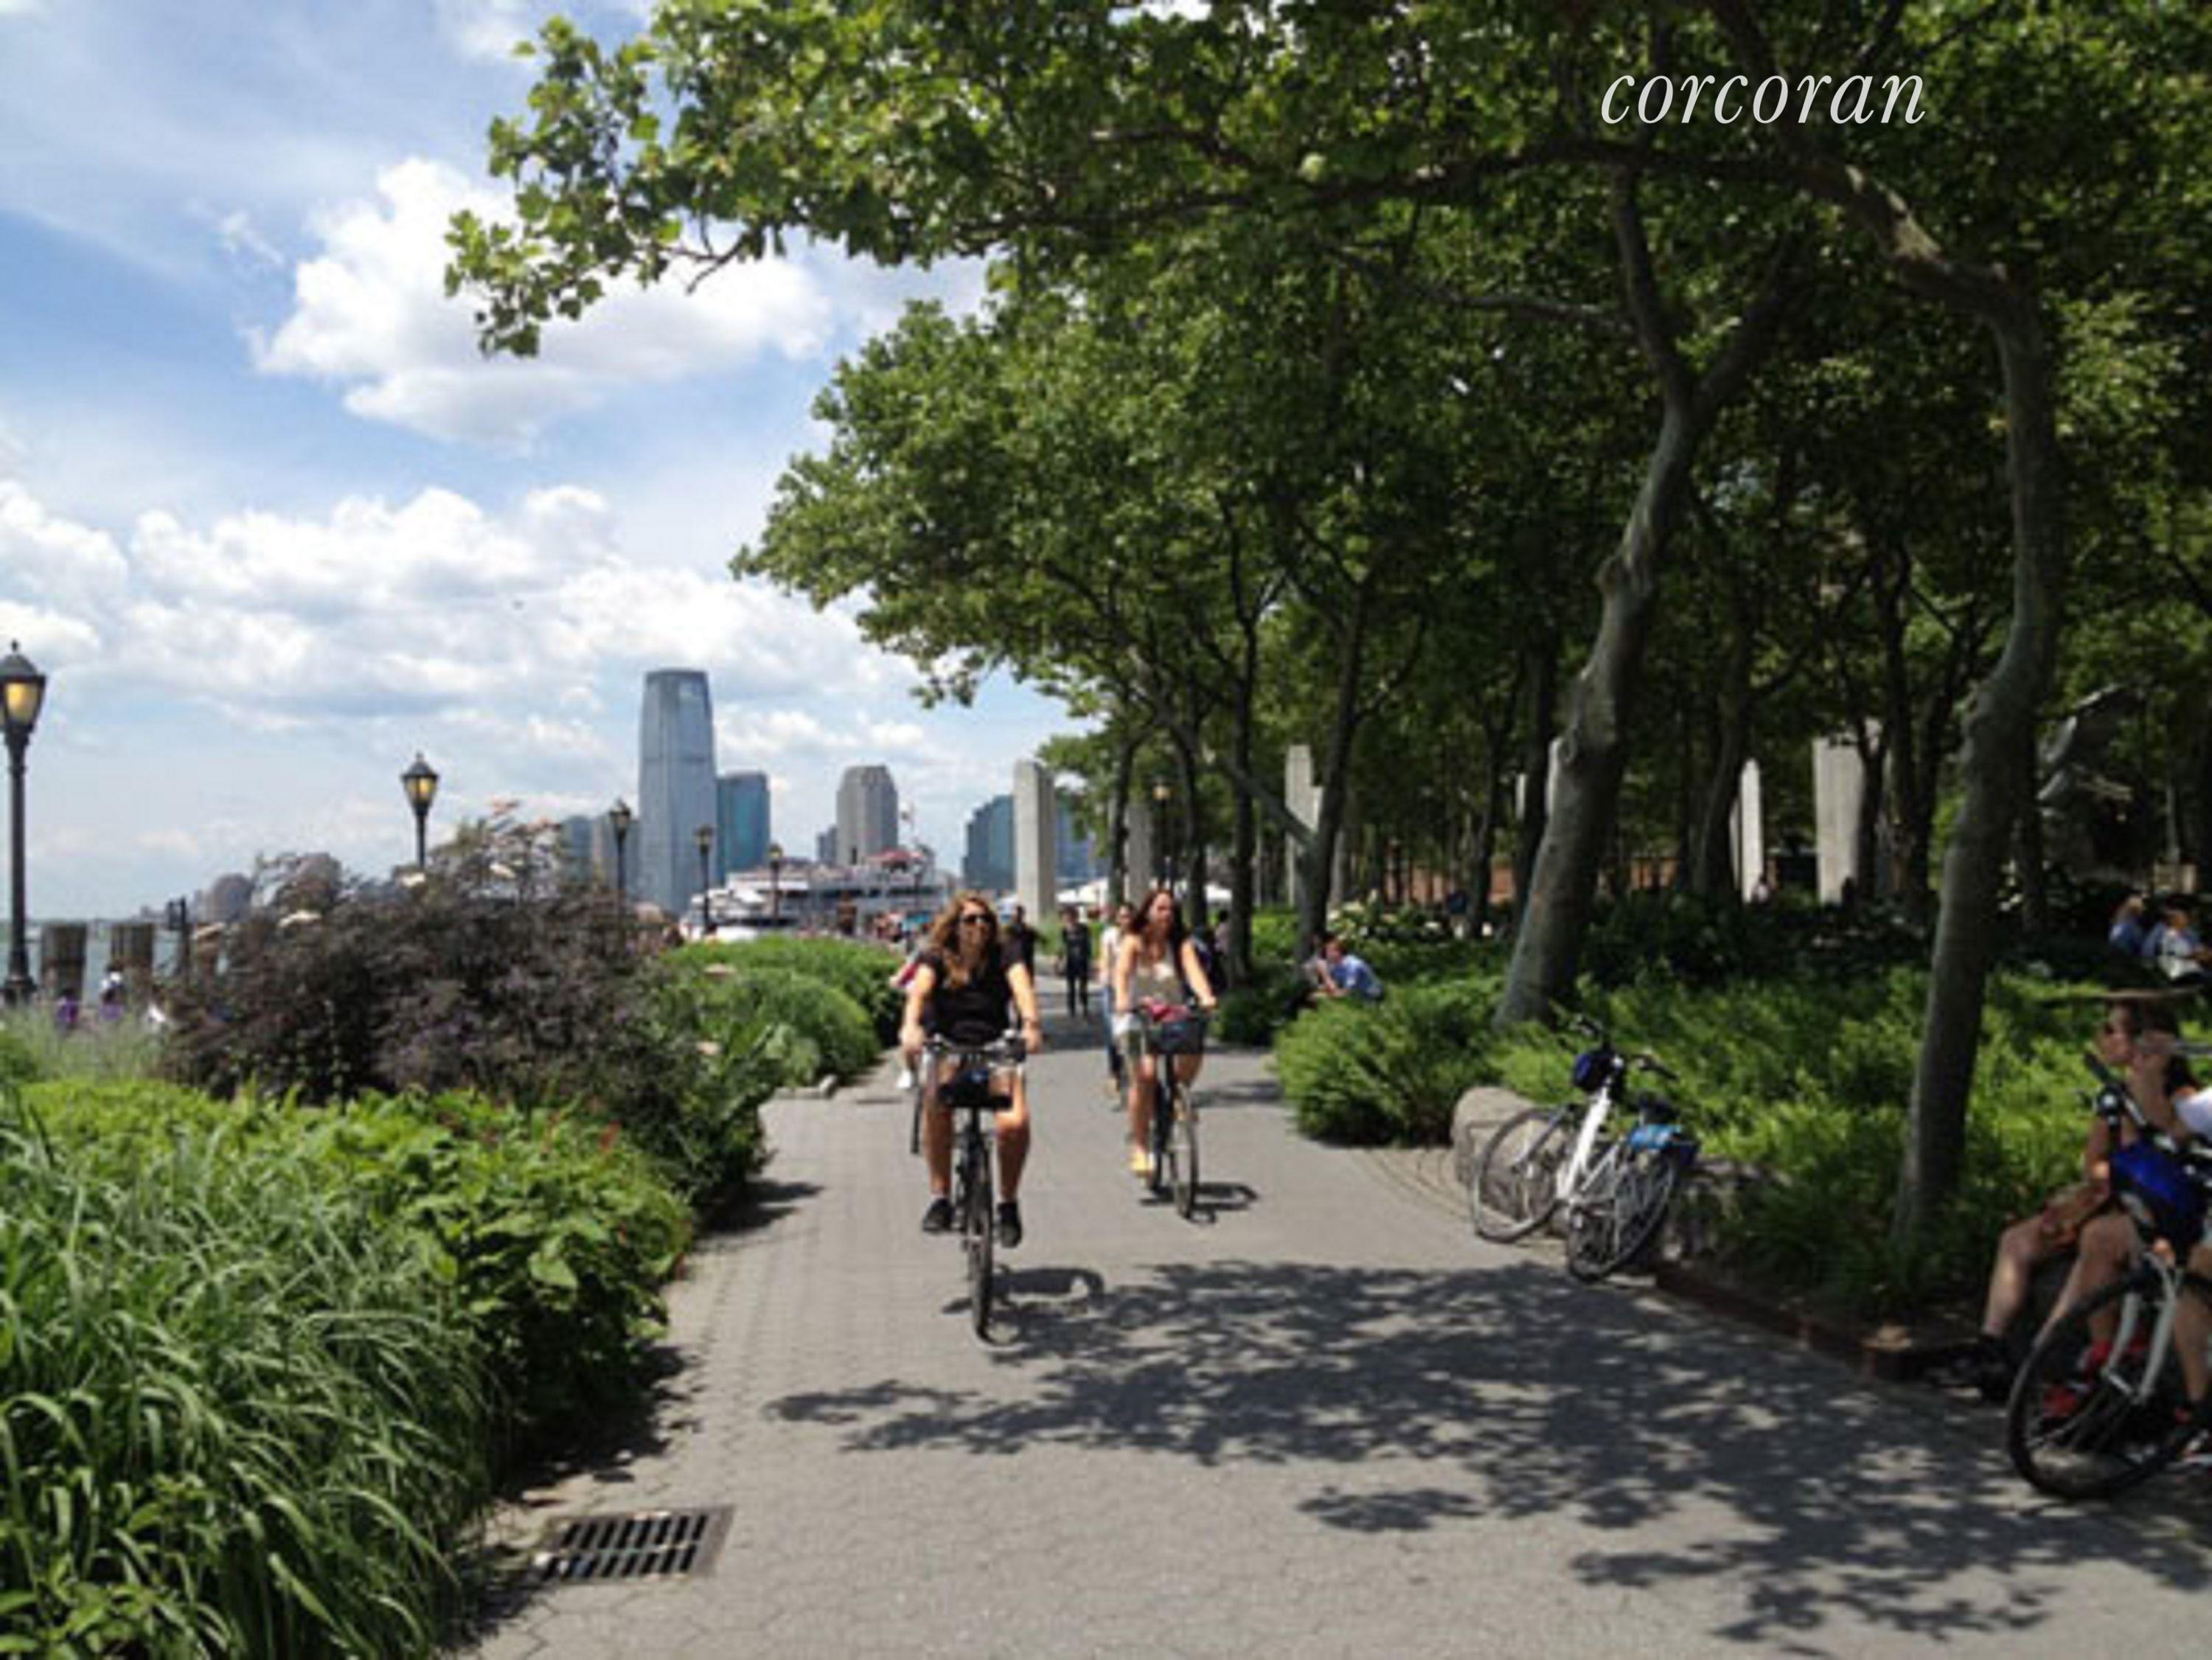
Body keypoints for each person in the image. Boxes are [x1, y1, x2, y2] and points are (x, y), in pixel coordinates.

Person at [1932, 996, 2197, 1400]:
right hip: (2111, 1199)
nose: (2101, 1038)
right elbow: (2094, 1159)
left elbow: (2172, 1157)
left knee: (2093, 1246)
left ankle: (2037, 1364)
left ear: (2145, 1042)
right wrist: (2092, 1189)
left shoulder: (2181, 1097)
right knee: (2017, 1241)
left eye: (2111, 1029)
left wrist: (2146, 1093)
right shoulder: (2113, 1096)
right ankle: (1990, 1350)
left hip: (2151, 1210)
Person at [898, 892, 1044, 1248]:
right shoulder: (936, 956)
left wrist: (1031, 1024)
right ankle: (941, 1198)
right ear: (955, 925)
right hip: (949, 1047)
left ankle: (1008, 1204)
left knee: (1014, 1124)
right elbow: (918, 994)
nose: (979, 925)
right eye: (970, 919)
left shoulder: (1005, 953)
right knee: (938, 1110)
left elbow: (1023, 989)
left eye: (985, 919)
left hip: (995, 1048)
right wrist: (911, 1027)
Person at [1110, 886, 1218, 1178]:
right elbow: (1121, 973)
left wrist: (1206, 996)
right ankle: (1140, 1146)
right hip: (1135, 1017)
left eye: (1171, 909)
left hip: (1172, 1013)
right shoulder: (1133, 941)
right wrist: (1121, 998)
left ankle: (1178, 1095)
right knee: (1144, 1075)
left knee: (1193, 1046)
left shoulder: (1180, 943)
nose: (1166, 914)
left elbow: (1194, 973)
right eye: (1160, 908)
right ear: (1147, 912)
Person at [1096, 900, 1135, 1099]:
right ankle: (1114, 1072)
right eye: (1122, 917)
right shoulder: (1110, 936)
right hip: (1112, 988)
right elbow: (1105, 958)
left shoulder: (1140, 936)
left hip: (1135, 988)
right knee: (1112, 1032)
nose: (1125, 921)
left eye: (1128, 917)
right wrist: (1105, 973)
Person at [1316, 933, 1385, 1001]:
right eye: (1326, 952)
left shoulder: (1353, 966)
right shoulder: (1336, 965)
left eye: (1329, 952)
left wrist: (1323, 996)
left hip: (1372, 994)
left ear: (1338, 953)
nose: (1327, 955)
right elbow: (1334, 986)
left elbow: (1346, 993)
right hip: (1356, 992)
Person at [1059, 905, 1092, 1019]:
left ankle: (1085, 1007)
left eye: (1069, 916)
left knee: (1083, 987)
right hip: (1070, 962)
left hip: (1082, 961)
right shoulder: (1064, 931)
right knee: (1071, 987)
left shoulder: (1084, 929)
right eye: (1065, 917)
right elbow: (1062, 947)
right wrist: (1060, 960)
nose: (1067, 919)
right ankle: (1071, 1009)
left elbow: (1088, 946)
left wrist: (1090, 961)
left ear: (1075, 916)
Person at [1004, 902, 1037, 979]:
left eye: (1019, 913)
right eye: (1015, 913)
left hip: (1026, 965)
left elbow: (1040, 940)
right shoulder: (1007, 930)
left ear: (1022, 915)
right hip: (1012, 965)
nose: (1017, 916)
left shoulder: (1029, 930)